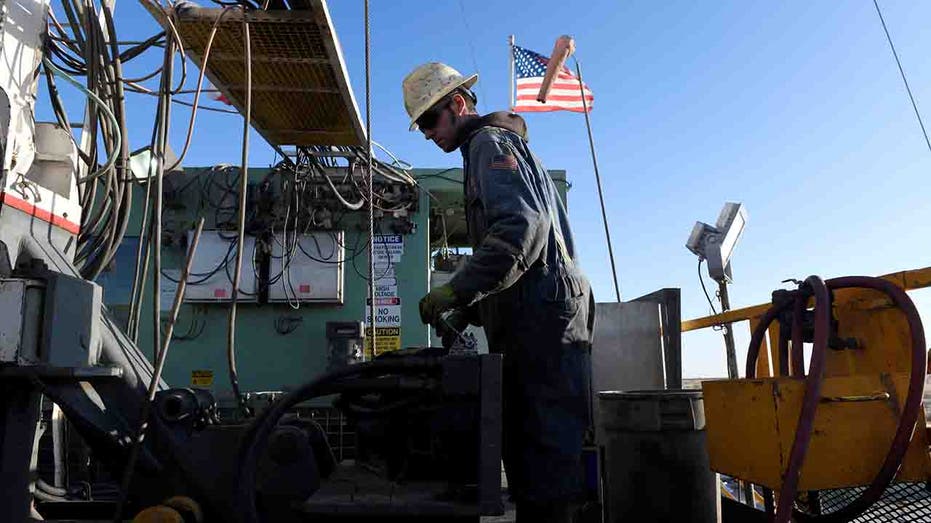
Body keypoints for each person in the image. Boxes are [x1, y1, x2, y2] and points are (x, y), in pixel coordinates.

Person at [402, 62, 595, 523]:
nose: (428, 133)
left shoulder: (489, 144)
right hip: (537, 311)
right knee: (532, 445)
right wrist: (468, 309)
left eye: (431, 119)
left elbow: (519, 230)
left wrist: (455, 292)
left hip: (544, 319)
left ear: (459, 104)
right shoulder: (487, 150)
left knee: (543, 448)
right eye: (422, 125)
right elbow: (517, 252)